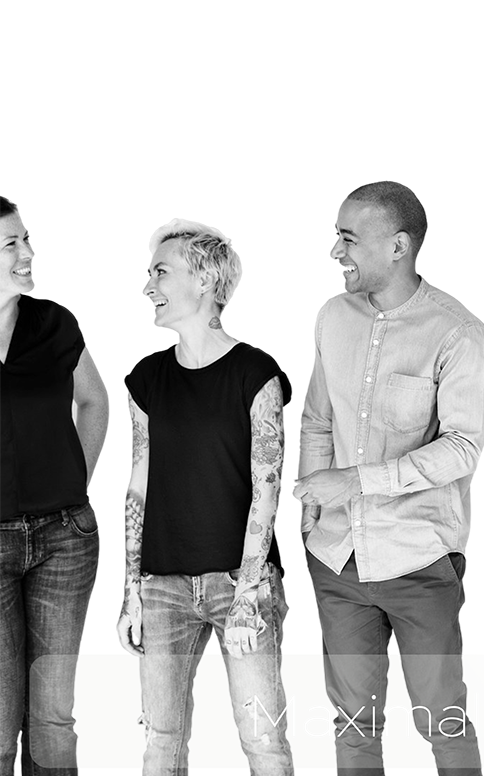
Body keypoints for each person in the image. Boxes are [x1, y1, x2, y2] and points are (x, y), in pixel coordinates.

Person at [294, 182, 484, 775]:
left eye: (349, 239)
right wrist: (313, 506)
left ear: (398, 246)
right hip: (337, 560)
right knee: (353, 727)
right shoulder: (333, 316)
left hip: (417, 559)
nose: (337, 253)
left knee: (443, 719)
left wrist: (357, 481)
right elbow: (318, 420)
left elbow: (462, 449)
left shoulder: (455, 333)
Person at [117, 220, 296, 775]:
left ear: (204, 280)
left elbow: (266, 489)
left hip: (239, 581)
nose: (150, 286)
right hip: (163, 586)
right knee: (160, 748)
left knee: (263, 744)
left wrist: (248, 593)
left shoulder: (256, 375)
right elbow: (140, 482)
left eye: (161, 272)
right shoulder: (147, 378)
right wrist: (132, 589)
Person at [0, 197, 107, 775]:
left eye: (25, 240)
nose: (27, 254)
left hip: (62, 539)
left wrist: (73, 482)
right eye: (10, 244)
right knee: (0, 720)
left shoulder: (53, 321)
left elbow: (93, 402)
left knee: (52, 715)